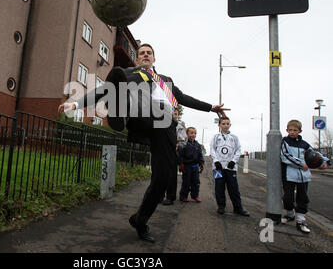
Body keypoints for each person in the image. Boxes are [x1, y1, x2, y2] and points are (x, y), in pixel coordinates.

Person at [58, 43, 229, 243]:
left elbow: (184, 99)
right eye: (142, 53)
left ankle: (140, 219)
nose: (145, 55)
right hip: (142, 113)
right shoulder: (132, 73)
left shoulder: (167, 81)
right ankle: (120, 106)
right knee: (124, 84)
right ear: (138, 59)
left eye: (149, 53)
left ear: (154, 59)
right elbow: (103, 89)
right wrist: (75, 103)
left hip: (166, 127)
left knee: (162, 179)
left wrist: (211, 107)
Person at [280, 119, 330, 234]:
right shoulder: (285, 142)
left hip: (304, 176)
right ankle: (290, 214)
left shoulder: (305, 144)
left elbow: (316, 154)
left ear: (300, 131)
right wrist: (300, 163)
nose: (292, 132)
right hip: (289, 175)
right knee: (288, 198)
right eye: (290, 130)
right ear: (287, 130)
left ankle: (301, 221)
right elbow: (285, 156)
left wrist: (325, 162)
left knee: (302, 198)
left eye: (295, 130)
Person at [210, 116, 249, 216]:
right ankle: (221, 206)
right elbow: (212, 149)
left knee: (233, 188)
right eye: (223, 124)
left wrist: (233, 161)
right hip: (218, 168)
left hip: (230, 167)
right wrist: (216, 161)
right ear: (219, 125)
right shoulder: (215, 137)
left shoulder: (234, 137)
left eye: (227, 124)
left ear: (230, 125)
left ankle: (238, 207)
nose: (225, 125)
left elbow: (238, 150)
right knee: (219, 187)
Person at [161, 108, 186, 205]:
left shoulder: (180, 127)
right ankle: (159, 196)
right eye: (172, 114)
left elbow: (184, 142)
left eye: (176, 114)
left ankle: (170, 197)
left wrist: (177, 146)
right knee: (160, 174)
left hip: (173, 153)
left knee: (171, 175)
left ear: (178, 115)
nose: (174, 116)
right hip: (163, 151)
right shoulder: (163, 124)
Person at [179, 127, 204, 202]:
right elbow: (180, 155)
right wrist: (181, 164)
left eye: (195, 133)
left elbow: (200, 155)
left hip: (195, 167)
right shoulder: (184, 144)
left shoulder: (198, 145)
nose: (193, 134)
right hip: (187, 166)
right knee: (186, 182)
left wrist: (201, 163)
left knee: (196, 182)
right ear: (187, 134)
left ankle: (195, 196)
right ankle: (183, 196)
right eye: (191, 133)